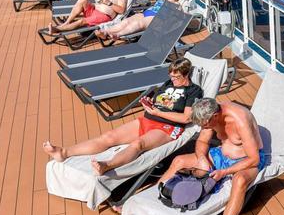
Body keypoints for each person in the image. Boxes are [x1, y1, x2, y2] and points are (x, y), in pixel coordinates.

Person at [42, 59, 202, 175]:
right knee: (108, 137)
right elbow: (160, 100)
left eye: (176, 77)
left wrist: (157, 112)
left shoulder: (194, 91)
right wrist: (149, 103)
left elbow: (186, 118)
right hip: (148, 119)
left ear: (186, 74)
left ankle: (107, 165)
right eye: (171, 76)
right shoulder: (168, 83)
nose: (173, 80)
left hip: (168, 128)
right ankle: (64, 152)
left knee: (138, 144)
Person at [158, 98, 267, 215]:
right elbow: (202, 141)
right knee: (179, 160)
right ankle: (156, 197)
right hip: (221, 154)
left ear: (215, 116)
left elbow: (254, 159)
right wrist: (202, 158)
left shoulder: (241, 121)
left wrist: (224, 172)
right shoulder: (208, 113)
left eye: (204, 125)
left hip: (245, 159)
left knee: (240, 181)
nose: (203, 128)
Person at [95, 0, 181, 41]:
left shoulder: (176, 4)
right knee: (126, 21)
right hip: (148, 12)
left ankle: (118, 34)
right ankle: (105, 32)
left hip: (157, 17)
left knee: (138, 23)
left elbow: (177, 14)